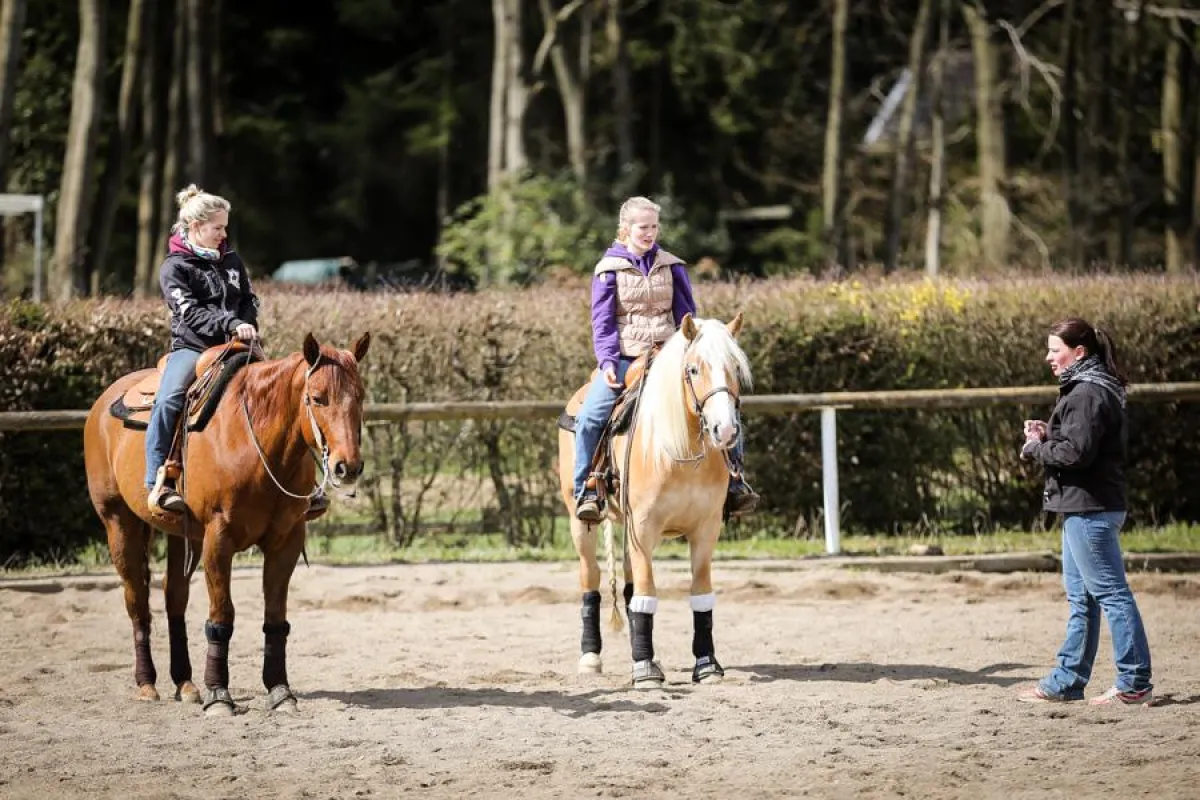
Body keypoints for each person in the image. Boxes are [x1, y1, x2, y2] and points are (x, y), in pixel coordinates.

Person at [572, 195, 758, 523]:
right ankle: (588, 488)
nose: (649, 233)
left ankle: (734, 480)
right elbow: (602, 323)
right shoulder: (607, 270)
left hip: (669, 356)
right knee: (590, 416)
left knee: (721, 407)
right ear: (626, 228)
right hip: (626, 358)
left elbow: (687, 316)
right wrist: (608, 362)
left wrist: (691, 350)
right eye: (643, 227)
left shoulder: (673, 266)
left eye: (654, 226)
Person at [143, 185, 327, 516]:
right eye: (218, 228)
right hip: (193, 348)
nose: (223, 234)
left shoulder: (231, 260)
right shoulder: (174, 268)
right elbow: (189, 312)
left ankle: (304, 484)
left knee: (284, 395)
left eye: (225, 227)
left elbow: (248, 298)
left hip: (239, 345)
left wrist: (245, 323)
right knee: (169, 399)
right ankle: (158, 481)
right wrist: (230, 324)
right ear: (196, 227)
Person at [1016, 318, 1153, 706]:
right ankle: (1068, 680)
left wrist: (1036, 449)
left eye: (1054, 350)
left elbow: (1076, 454)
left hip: (1089, 507)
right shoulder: (1090, 390)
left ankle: (1134, 681)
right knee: (1083, 598)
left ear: (1080, 353)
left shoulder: (1087, 394)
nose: (1048, 358)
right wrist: (1048, 435)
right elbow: (1079, 443)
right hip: (1086, 506)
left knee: (1110, 594)